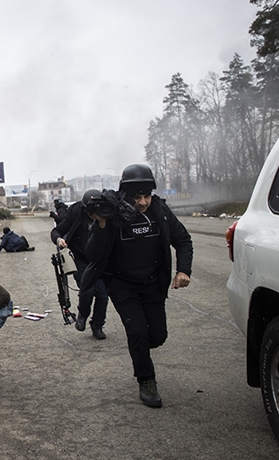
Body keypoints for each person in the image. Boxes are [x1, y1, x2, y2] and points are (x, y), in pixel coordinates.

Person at [83, 163, 193, 408]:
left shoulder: (160, 211)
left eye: (146, 196)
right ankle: (146, 380)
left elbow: (183, 240)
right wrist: (101, 226)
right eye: (136, 197)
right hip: (123, 284)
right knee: (138, 331)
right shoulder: (112, 215)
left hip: (154, 282)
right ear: (125, 195)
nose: (142, 202)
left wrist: (184, 270)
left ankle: (140, 347)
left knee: (157, 335)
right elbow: (93, 254)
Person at [50, 190, 110, 340]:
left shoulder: (108, 215)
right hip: (80, 258)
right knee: (87, 290)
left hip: (100, 260)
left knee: (102, 295)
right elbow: (57, 231)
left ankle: (97, 324)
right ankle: (82, 314)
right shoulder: (76, 211)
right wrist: (59, 240)